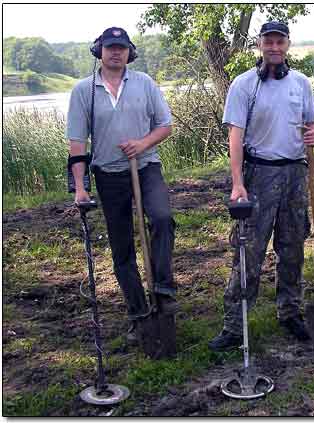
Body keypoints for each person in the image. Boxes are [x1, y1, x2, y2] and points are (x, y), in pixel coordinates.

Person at [208, 21, 314, 351]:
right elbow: (236, 135)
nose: (274, 47)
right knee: (249, 251)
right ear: (259, 45)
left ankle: (290, 312)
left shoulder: (301, 83)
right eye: (268, 41)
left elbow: (312, 124)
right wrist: (237, 183)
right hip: (259, 174)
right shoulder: (244, 85)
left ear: (287, 44)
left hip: (295, 175)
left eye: (279, 41)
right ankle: (234, 324)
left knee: (293, 247)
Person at [66, 27, 177, 344]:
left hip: (146, 167)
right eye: (110, 47)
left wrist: (142, 144)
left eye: (122, 47)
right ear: (99, 50)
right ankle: (138, 313)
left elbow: (165, 126)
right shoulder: (83, 91)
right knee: (122, 246)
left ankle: (163, 289)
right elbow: (77, 143)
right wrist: (80, 187)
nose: (116, 52)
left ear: (130, 52)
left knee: (162, 218)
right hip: (108, 173)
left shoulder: (145, 83)